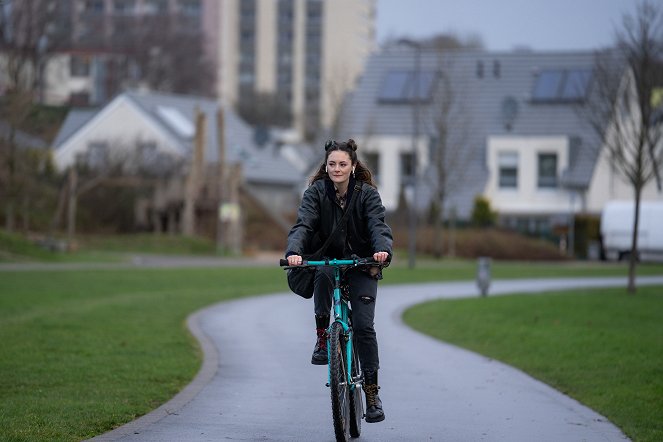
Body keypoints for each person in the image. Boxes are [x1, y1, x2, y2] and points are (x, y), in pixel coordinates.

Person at [285, 138, 393, 423]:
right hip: (329, 260)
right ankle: (323, 338)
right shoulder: (316, 193)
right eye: (332, 164)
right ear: (326, 166)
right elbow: (304, 224)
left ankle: (371, 393)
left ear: (353, 166)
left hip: (362, 264)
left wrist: (381, 251)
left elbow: (378, 225)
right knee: (322, 272)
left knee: (363, 326)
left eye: (342, 164)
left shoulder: (367, 194)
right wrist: (294, 252)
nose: (336, 168)